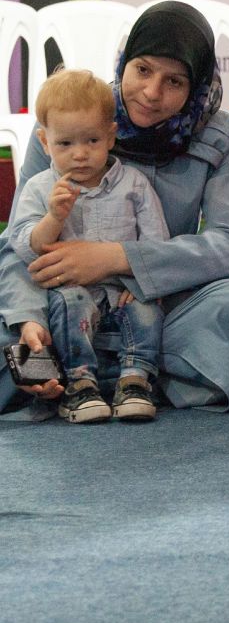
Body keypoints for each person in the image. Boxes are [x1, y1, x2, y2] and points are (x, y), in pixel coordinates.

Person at [0, 0, 229, 413]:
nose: (151, 93)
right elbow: (18, 243)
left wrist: (117, 259)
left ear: (196, 87)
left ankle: (94, 373)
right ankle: (137, 375)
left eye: (175, 82)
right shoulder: (75, 119)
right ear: (124, 63)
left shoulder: (215, 133)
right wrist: (29, 321)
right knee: (16, 311)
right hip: (63, 305)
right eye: (143, 70)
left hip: (157, 308)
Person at [7, 70, 169, 422]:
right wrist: (54, 217)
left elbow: (157, 247)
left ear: (111, 137)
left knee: (148, 308)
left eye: (91, 141)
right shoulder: (40, 188)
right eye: (66, 144)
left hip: (122, 291)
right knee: (69, 300)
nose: (80, 154)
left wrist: (138, 281)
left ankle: (135, 379)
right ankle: (81, 385)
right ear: (45, 142)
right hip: (71, 296)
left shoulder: (134, 185)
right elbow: (24, 247)